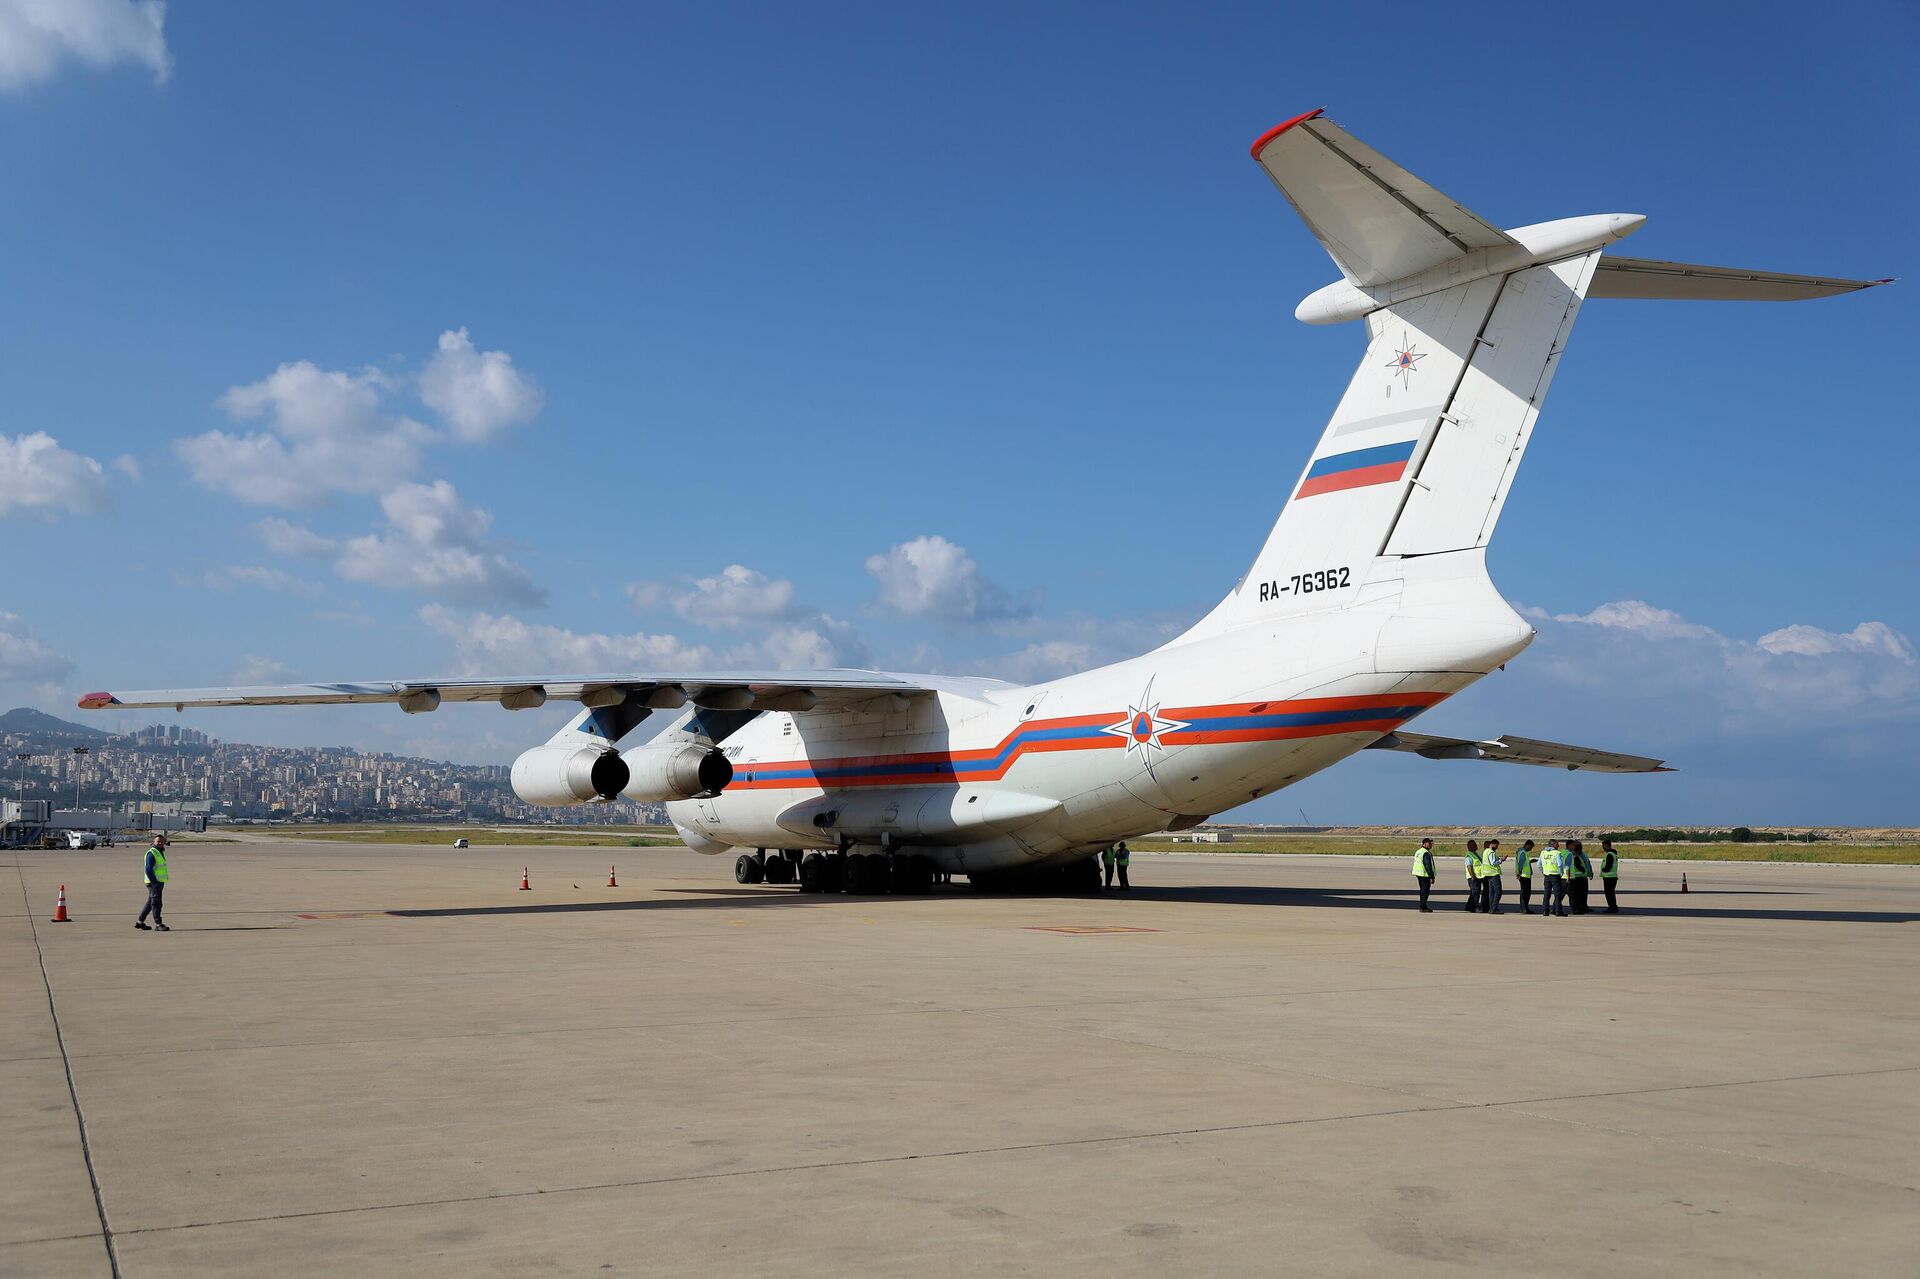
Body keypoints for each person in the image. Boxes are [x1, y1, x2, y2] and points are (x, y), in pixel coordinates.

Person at [136, 832, 171, 932]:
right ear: (154, 842)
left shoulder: (160, 852)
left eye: (161, 842)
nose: (160, 843)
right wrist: (154, 883)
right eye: (158, 841)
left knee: (150, 902)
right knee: (156, 903)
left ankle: (140, 922)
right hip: (153, 883)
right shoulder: (152, 853)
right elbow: (148, 869)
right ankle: (158, 924)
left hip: (158, 882)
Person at [1540, 840, 1567, 918]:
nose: (1558, 846)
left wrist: (1544, 871)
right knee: (1557, 894)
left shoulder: (1543, 852)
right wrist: (1561, 873)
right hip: (1555, 875)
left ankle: (1545, 911)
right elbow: (1560, 864)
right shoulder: (1557, 853)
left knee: (1547, 893)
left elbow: (1539, 864)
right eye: (1557, 844)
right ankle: (1558, 911)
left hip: (1547, 876)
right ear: (1553, 845)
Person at [1565, 839, 1591, 914]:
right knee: (1577, 895)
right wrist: (1584, 871)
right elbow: (1578, 865)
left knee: (1580, 894)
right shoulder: (1574, 856)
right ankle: (1577, 908)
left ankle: (1582, 907)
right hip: (1577, 877)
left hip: (1579, 877)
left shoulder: (1578, 855)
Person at [1411, 837, 1436, 911]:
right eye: (1429, 843)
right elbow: (1428, 865)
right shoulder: (1425, 852)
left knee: (1423, 890)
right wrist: (1431, 877)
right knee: (1425, 891)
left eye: (1431, 843)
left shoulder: (1419, 851)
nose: (1431, 845)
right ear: (1424, 844)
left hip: (1419, 873)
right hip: (1424, 874)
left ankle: (1423, 905)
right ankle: (1423, 906)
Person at [1481, 838, 1505, 914]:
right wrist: (1501, 860)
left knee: (1491, 892)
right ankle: (1494, 908)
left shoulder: (1485, 851)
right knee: (1498, 892)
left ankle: (1491, 908)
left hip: (1488, 874)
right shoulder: (1491, 852)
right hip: (1493, 874)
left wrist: (1498, 858)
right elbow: (1493, 862)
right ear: (1493, 844)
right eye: (1496, 845)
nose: (1497, 847)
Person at [1514, 839, 1536, 914]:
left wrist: (1530, 861)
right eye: (1531, 847)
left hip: (1525, 875)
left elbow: (1523, 862)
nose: (1531, 849)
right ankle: (1524, 908)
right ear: (1527, 845)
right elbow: (1520, 864)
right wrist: (1519, 874)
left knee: (1525, 892)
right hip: (1524, 876)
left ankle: (1524, 907)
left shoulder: (1523, 852)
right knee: (1525, 893)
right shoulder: (1523, 852)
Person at [1598, 839, 1620, 912]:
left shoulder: (1610, 855)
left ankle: (1612, 907)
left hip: (1609, 877)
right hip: (1612, 877)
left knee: (1609, 894)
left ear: (1607, 846)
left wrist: (1604, 870)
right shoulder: (1613, 854)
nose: (1603, 848)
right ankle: (1613, 907)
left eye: (1603, 846)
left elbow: (1608, 866)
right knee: (1611, 893)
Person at [1463, 839, 1483, 912]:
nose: (1476, 846)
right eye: (1474, 845)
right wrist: (1473, 876)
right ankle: (1475, 907)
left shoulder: (1475, 854)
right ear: (1470, 846)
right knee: (1475, 893)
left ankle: (1468, 906)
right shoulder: (1469, 856)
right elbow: (1469, 867)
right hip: (1473, 877)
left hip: (1477, 876)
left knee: (1473, 892)